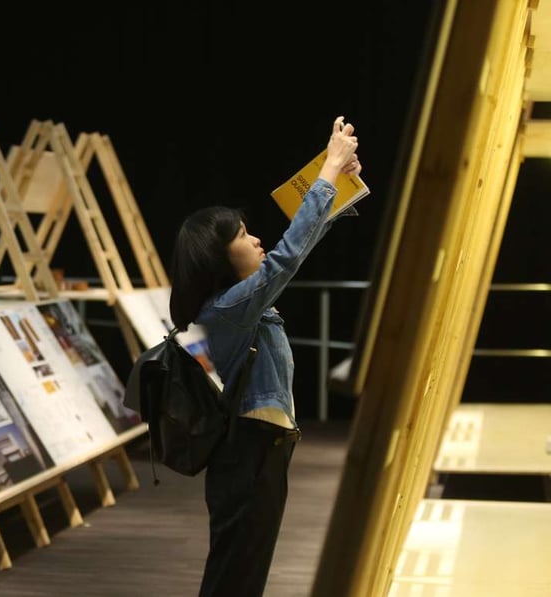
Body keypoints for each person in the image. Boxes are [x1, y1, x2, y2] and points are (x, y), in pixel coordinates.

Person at [168, 115, 362, 597]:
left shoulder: (237, 305)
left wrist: (338, 184)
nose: (256, 239)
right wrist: (328, 172)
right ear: (218, 256)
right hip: (249, 454)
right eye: (241, 235)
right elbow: (287, 257)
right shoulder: (228, 308)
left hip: (262, 452)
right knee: (236, 575)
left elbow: (295, 250)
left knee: (242, 572)